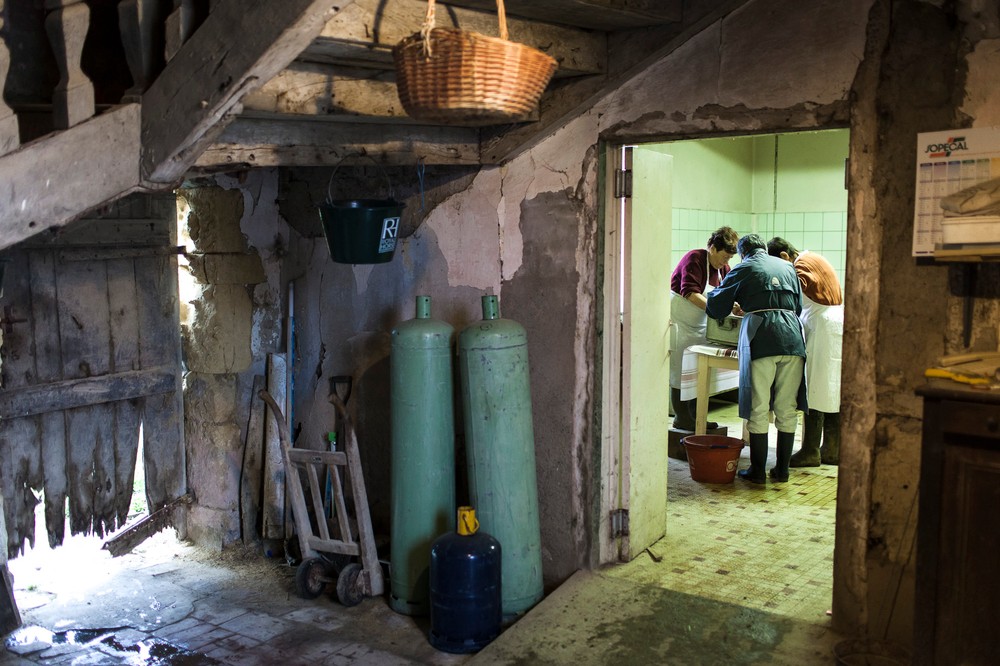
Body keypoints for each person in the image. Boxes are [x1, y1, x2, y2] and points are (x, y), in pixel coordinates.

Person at [705, 234, 807, 484]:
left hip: (761, 337)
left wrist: (744, 304)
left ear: (744, 253)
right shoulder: (787, 266)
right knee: (786, 407)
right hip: (793, 338)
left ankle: (758, 471)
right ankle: (782, 471)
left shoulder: (744, 267)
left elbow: (716, 306)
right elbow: (797, 306)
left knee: (759, 406)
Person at [767, 237, 843, 466]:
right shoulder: (815, 257)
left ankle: (810, 451)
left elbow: (791, 295)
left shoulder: (800, 265)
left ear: (783, 256)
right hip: (835, 324)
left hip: (822, 328)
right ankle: (832, 449)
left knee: (815, 388)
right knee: (832, 388)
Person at [668, 226, 740, 431]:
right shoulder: (695, 259)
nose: (725, 262)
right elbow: (690, 293)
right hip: (681, 324)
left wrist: (732, 305)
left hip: (701, 326)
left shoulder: (723, 269)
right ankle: (682, 417)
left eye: (729, 259)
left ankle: (696, 415)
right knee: (680, 371)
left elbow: (726, 294)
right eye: (724, 256)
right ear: (712, 248)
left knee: (697, 372)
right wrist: (716, 309)